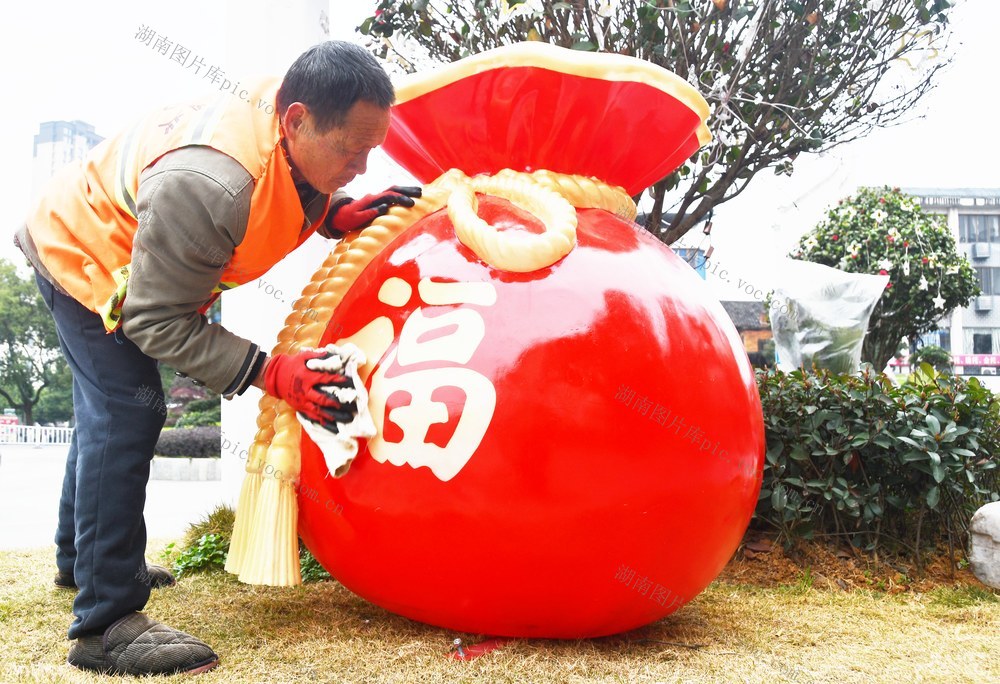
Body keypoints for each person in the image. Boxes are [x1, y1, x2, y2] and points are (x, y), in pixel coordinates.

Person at [14, 40, 419, 677]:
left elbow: (281, 184)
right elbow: (154, 318)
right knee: (125, 415)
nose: (364, 167)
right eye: (353, 151)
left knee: (103, 415)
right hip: (82, 250)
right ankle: (107, 622)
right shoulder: (211, 185)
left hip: (134, 242)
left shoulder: (291, 122)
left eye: (374, 149)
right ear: (297, 120)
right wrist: (270, 372)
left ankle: (80, 560)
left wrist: (329, 213)